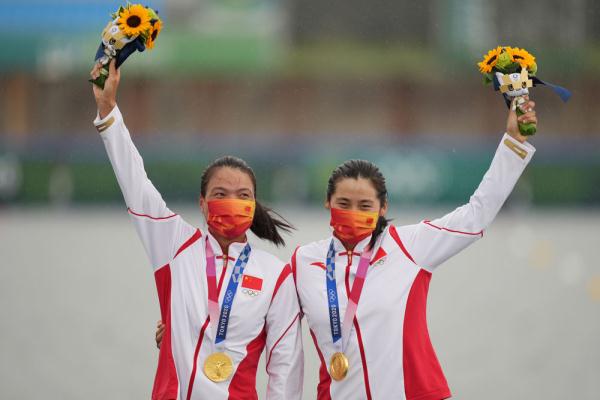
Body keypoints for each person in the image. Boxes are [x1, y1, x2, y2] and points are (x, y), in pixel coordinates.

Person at [291, 99, 538, 399]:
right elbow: (275, 340)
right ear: (327, 203)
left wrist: (513, 143)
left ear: (383, 208)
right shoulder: (304, 261)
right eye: (344, 204)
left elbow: (476, 215)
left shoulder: (411, 246)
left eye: (365, 205)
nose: (353, 212)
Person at [90, 60, 303, 400]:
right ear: (202, 204)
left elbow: (286, 367)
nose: (231, 202)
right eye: (220, 195)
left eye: (242, 196)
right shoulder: (173, 245)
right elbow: (135, 184)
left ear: (254, 204)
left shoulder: (276, 277)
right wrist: (108, 111)